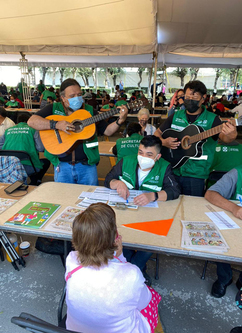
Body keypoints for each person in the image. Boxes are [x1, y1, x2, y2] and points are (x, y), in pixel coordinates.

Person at [65, 203, 161, 333]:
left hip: (73, 330)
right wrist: (120, 257)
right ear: (115, 239)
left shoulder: (71, 259)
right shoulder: (131, 274)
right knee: (151, 298)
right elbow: (145, 302)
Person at [104, 135, 180, 283]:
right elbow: (108, 179)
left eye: (149, 154)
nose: (143, 157)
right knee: (120, 238)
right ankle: (137, 271)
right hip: (125, 215)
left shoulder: (164, 167)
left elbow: (175, 191)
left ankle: (132, 271)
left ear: (157, 156)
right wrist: (117, 183)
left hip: (150, 218)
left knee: (149, 243)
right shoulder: (126, 161)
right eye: (140, 152)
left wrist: (154, 196)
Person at [27, 78, 128, 185]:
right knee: (64, 199)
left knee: (89, 198)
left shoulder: (89, 111)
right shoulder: (53, 108)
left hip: (87, 165)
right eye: (72, 96)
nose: (77, 98)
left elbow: (107, 131)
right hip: (61, 165)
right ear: (63, 98)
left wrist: (120, 120)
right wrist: (56, 124)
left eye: (79, 94)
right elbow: (31, 121)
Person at [154, 80, 237, 197]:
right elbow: (157, 133)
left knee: (192, 208)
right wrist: (164, 142)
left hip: (196, 175)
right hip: (172, 169)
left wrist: (231, 135)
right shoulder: (176, 115)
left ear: (203, 98)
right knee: (169, 204)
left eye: (194, 97)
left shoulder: (212, 119)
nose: (190, 100)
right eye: (187, 96)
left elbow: (225, 138)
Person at [205, 162, 242, 298]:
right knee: (219, 240)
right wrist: (233, 208)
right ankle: (224, 278)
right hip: (235, 223)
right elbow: (210, 194)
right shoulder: (239, 172)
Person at [0, 113, 50, 185]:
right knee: (46, 162)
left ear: (17, 122)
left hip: (8, 167)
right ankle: (35, 181)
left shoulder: (7, 130)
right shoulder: (33, 130)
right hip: (28, 166)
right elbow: (40, 148)